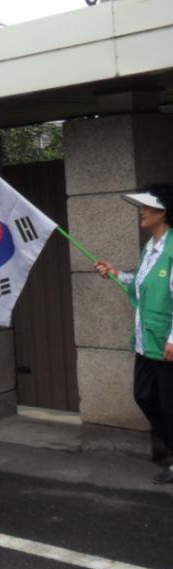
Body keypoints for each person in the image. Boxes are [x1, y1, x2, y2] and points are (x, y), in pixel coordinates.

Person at [96, 186, 173, 485]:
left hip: (165, 342)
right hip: (146, 341)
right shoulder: (149, 248)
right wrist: (116, 273)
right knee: (144, 396)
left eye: (147, 208)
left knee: (169, 404)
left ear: (162, 212)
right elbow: (140, 285)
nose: (142, 213)